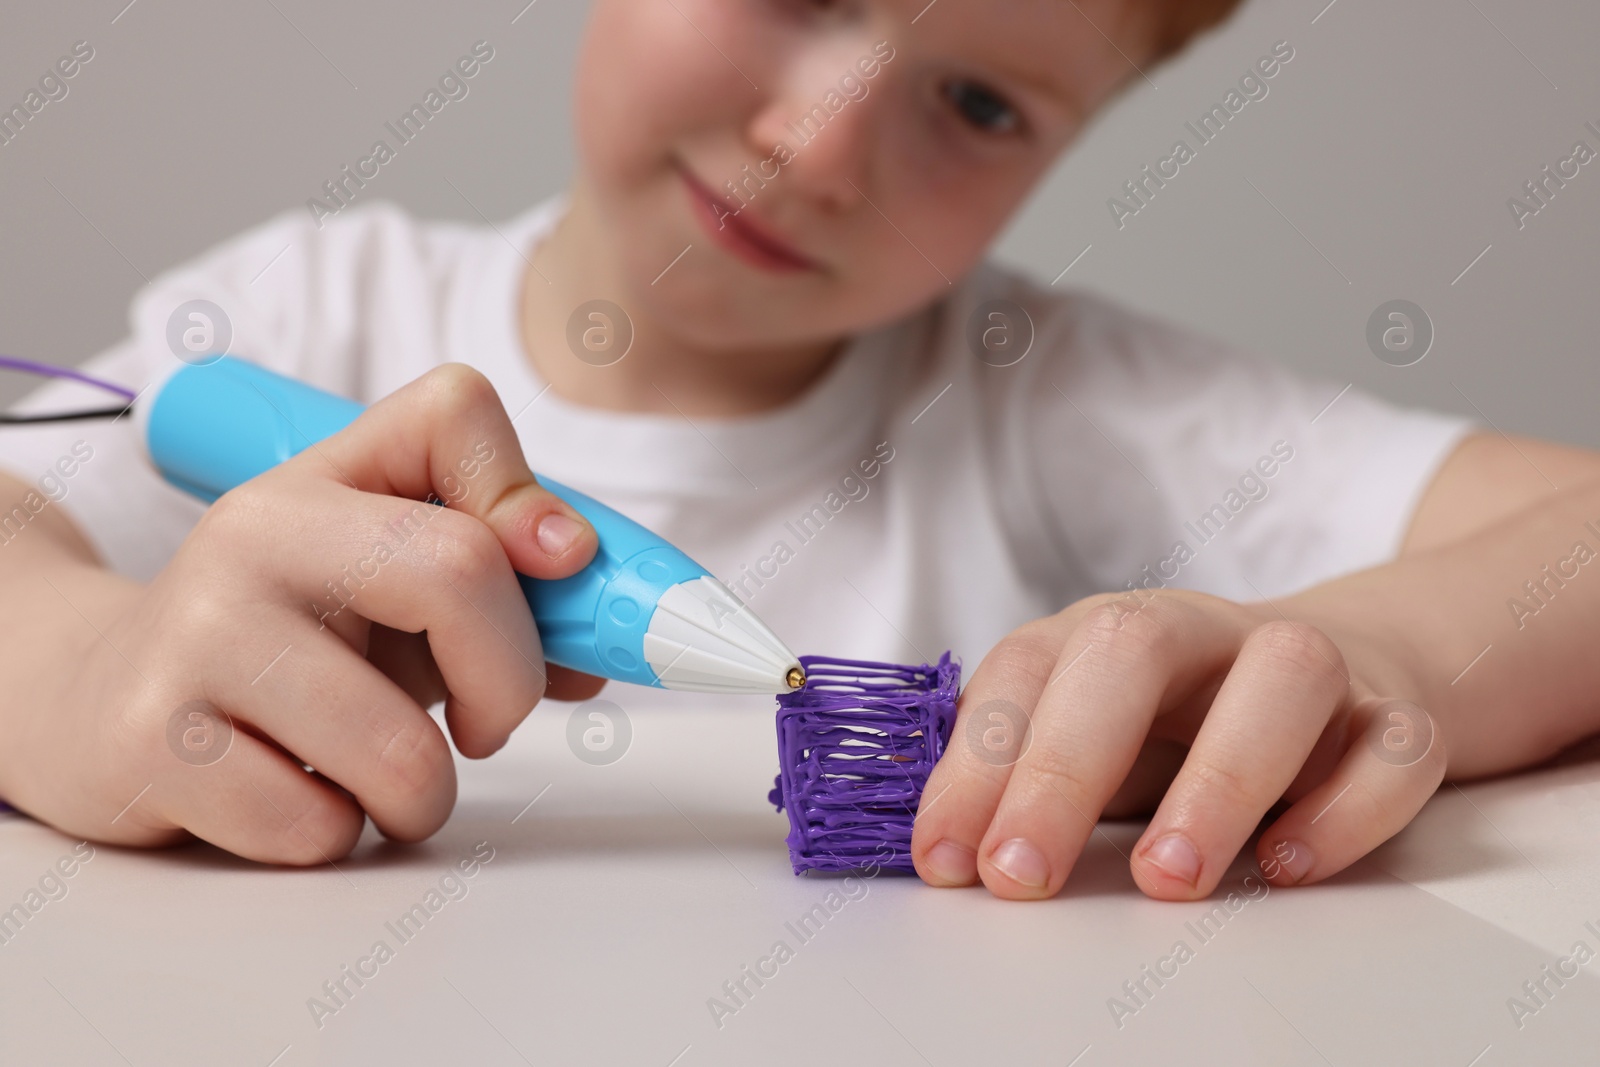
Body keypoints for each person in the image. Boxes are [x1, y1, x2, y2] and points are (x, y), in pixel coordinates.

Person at [2, 0, 1597, 904]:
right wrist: (74, 670)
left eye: (975, 99)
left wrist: (1386, 644)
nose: (818, 147)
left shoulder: (1056, 398)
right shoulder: (305, 308)